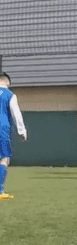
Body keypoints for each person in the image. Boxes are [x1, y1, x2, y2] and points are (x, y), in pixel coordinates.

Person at [0, 72, 29, 200]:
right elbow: (16, 113)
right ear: (7, 82)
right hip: (2, 128)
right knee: (4, 158)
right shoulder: (10, 95)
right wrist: (22, 131)